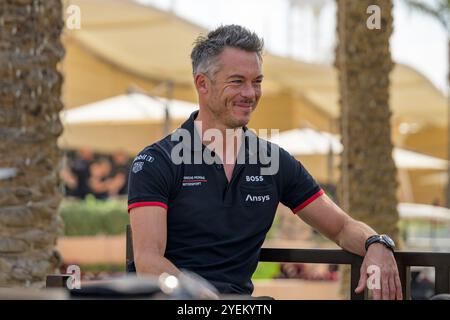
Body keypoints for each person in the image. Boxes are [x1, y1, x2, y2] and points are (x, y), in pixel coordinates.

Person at [128, 25, 402, 299]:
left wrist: (376, 242)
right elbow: (149, 262)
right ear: (202, 84)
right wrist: (207, 299)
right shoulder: (156, 161)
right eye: (237, 81)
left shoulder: (273, 161)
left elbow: (341, 227)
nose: (250, 93)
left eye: (257, 81)